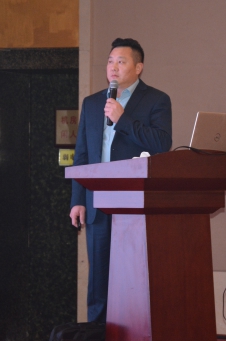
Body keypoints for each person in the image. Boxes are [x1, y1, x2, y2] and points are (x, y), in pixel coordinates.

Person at [69, 38, 172, 323]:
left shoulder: (156, 100)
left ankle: (134, 335)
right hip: (97, 200)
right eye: (110, 61)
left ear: (138, 67)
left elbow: (162, 143)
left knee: (134, 275)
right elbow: (82, 155)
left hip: (135, 202)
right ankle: (97, 336)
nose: (113, 67)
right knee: (99, 277)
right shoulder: (92, 103)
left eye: (121, 61)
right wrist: (78, 200)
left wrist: (122, 119)